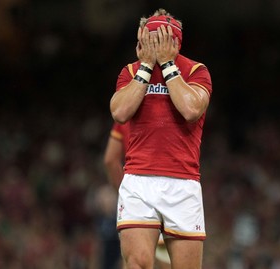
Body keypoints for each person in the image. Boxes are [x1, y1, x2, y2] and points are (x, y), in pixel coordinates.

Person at [109, 8, 212, 269]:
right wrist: (146, 67)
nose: (151, 44)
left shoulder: (197, 71)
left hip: (183, 183)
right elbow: (120, 112)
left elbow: (190, 109)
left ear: (175, 42)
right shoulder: (131, 71)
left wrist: (167, 65)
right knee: (139, 263)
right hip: (139, 180)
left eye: (159, 39)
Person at [104, 122, 171, 269]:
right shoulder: (168, 110)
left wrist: (125, 193)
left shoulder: (126, 114)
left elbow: (110, 159)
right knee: (166, 261)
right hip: (168, 194)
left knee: (133, 261)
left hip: (136, 196)